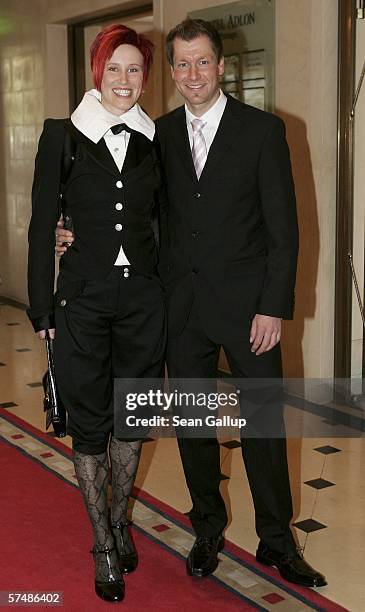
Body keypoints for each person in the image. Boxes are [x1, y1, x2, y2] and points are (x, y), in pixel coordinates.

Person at [56, 18, 326, 588]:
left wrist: (274, 306)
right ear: (172, 73)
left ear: (222, 67)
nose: (192, 73)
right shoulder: (159, 135)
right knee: (195, 430)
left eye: (202, 61)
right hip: (182, 311)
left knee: (262, 428)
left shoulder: (262, 131)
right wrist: (72, 230)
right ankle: (208, 530)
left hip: (250, 311)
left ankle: (277, 541)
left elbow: (285, 229)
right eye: (181, 63)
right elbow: (132, 209)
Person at [28, 24, 166, 603]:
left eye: (135, 70)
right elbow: (41, 223)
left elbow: (167, 219)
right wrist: (42, 308)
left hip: (142, 302)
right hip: (81, 302)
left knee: (132, 418)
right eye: (115, 68)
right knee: (89, 423)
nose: (125, 81)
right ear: (97, 72)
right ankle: (102, 542)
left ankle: (119, 518)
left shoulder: (156, 141)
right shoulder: (62, 135)